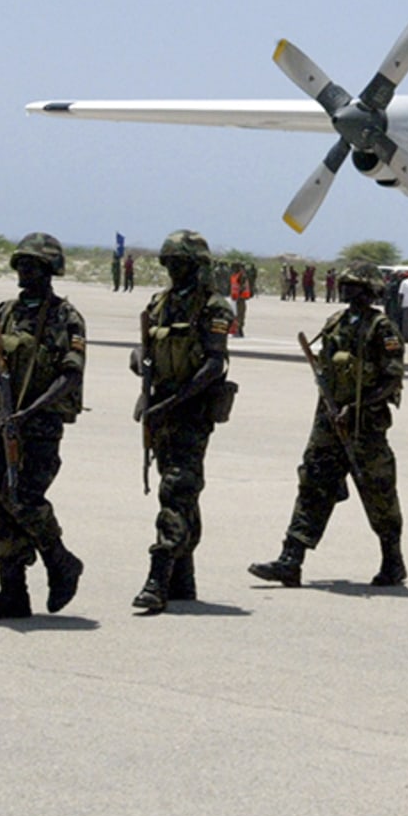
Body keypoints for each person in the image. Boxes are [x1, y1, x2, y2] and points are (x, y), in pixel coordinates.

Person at [249, 262, 407, 588]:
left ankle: (393, 560)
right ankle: (291, 559)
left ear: (367, 290)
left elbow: (392, 379)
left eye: (352, 286)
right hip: (329, 420)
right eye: (345, 285)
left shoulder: (382, 328)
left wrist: (357, 407)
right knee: (312, 483)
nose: (345, 290)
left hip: (365, 425)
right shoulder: (335, 322)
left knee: (378, 491)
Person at [0, 233, 87, 621]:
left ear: (50, 270)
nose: (24, 270)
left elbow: (71, 374)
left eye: (33, 265)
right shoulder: (6, 311)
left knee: (25, 499)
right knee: (1, 504)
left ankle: (60, 561)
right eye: (20, 263)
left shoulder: (64, 317)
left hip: (38, 427)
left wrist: (32, 411)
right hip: (2, 423)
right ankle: (12, 592)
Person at [130, 230, 236, 612]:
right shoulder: (159, 304)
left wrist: (173, 402)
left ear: (196, 266)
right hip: (162, 411)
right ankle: (183, 578)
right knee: (181, 490)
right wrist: (140, 362)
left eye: (180, 263)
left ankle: (158, 578)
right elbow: (148, 349)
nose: (173, 269)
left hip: (190, 412)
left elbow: (213, 363)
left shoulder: (214, 307)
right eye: (169, 263)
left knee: (175, 490)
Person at [228, 261, 251, 337]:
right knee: (236, 314)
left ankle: (239, 330)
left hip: (239, 298)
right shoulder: (235, 275)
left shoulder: (241, 275)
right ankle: (237, 330)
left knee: (239, 314)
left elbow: (242, 286)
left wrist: (238, 295)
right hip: (235, 298)